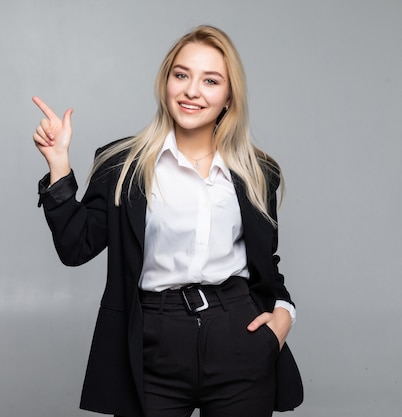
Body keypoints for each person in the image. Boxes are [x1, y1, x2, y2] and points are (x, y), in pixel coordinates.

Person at [31, 25, 303, 417]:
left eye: (210, 81)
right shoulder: (121, 164)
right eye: (182, 75)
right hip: (152, 342)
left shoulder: (256, 172)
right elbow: (76, 247)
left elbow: (266, 265)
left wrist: (282, 318)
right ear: (166, 83)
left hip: (239, 337)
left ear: (228, 97)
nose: (192, 90)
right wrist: (58, 165)